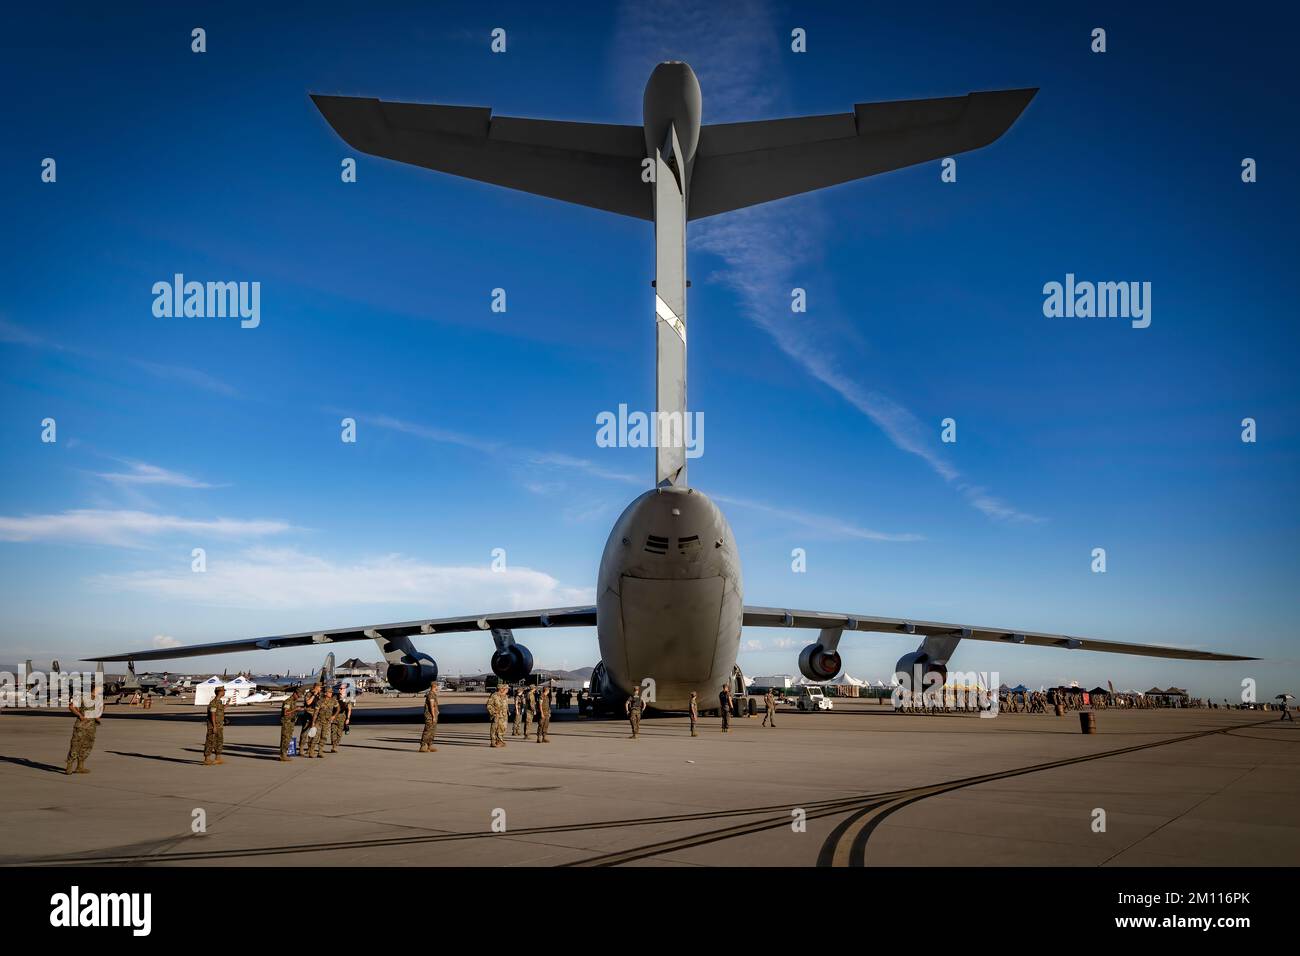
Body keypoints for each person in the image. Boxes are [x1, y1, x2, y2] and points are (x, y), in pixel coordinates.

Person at [65, 684, 102, 775]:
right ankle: (69, 766)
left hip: (91, 727)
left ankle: (80, 766)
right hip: (81, 726)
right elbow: (71, 706)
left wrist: (97, 717)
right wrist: (79, 715)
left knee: (87, 747)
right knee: (75, 745)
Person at [309, 687, 337, 758]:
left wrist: (334, 716)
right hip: (319, 722)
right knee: (315, 737)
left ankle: (320, 752)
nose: (331, 693)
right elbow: (315, 713)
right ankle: (311, 751)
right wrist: (313, 722)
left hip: (327, 722)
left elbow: (338, 708)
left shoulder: (333, 701)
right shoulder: (320, 702)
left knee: (324, 737)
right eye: (329, 692)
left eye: (331, 692)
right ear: (325, 693)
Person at [203, 686, 226, 765]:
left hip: (219, 725)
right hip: (213, 726)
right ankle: (207, 759)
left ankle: (218, 758)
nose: (224, 692)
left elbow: (220, 711)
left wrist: (226, 705)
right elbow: (212, 715)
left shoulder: (219, 702)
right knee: (210, 741)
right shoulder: (213, 703)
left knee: (219, 741)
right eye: (223, 691)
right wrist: (214, 726)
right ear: (219, 692)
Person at [298, 682, 322, 755]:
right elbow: (308, 703)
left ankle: (310, 749)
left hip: (315, 716)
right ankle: (301, 749)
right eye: (320, 687)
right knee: (305, 733)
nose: (321, 688)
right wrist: (313, 695)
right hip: (308, 714)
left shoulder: (319, 695)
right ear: (316, 687)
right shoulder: (309, 694)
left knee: (313, 733)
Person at [279, 689, 302, 761]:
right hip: (286, 723)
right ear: (294, 693)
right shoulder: (288, 701)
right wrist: (295, 709)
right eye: (298, 696)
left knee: (288, 738)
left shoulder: (293, 701)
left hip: (291, 723)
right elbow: (285, 713)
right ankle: (283, 755)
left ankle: (284, 754)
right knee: (285, 738)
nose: (298, 697)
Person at [331, 686, 352, 753]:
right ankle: (334, 746)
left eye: (341, 689)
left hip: (342, 716)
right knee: (333, 731)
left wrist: (348, 718)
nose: (340, 690)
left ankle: (336, 744)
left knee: (339, 733)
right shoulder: (334, 697)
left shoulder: (347, 699)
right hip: (334, 716)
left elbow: (349, 710)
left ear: (345, 690)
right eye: (339, 688)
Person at [419, 683, 439, 751]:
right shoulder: (431, 694)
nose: (438, 688)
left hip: (434, 715)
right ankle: (423, 745)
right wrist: (433, 716)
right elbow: (432, 706)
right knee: (428, 730)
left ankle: (430, 745)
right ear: (434, 686)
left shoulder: (433, 694)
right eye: (437, 686)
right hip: (430, 715)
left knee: (432, 731)